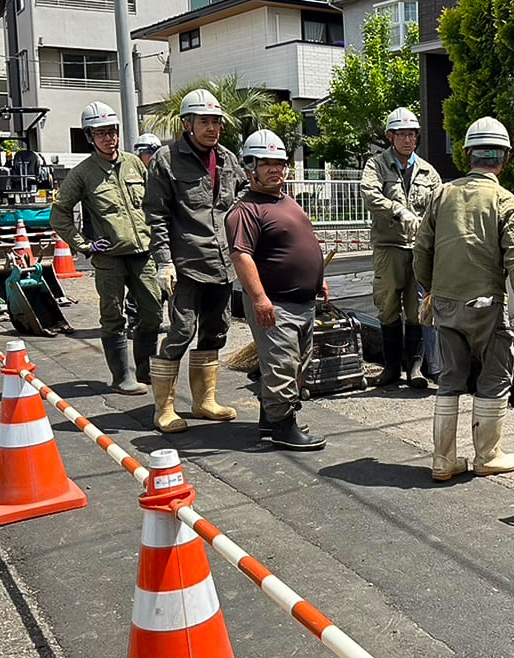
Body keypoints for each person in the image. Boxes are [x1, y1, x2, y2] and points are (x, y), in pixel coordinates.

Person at [413, 116, 514, 481]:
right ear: (505, 158)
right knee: (495, 376)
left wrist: (431, 290)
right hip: (486, 306)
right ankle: (488, 456)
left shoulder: (442, 194)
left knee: (450, 377)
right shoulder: (505, 201)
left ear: (467, 155)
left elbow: (421, 250)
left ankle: (442, 460)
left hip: (445, 303)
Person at [141, 89, 242, 432]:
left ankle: (204, 402)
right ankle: (164, 409)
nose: (212, 128)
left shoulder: (228, 160)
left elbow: (239, 207)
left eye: (216, 121)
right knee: (181, 331)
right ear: (187, 124)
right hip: (185, 265)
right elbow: (156, 215)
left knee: (217, 331)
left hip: (222, 263)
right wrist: (163, 261)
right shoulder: (166, 160)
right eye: (204, 121)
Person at [225, 129, 327, 450]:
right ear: (249, 167)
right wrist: (259, 298)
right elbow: (241, 255)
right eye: (266, 163)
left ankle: (270, 420)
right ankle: (284, 426)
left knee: (297, 364)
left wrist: (317, 277)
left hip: (302, 301)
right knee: (281, 365)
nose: (275, 169)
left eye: (279, 163)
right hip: (275, 303)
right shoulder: (246, 211)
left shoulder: (286, 201)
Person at [51, 101, 160, 396]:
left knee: (152, 313)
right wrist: (84, 245)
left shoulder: (135, 164)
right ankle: (122, 376)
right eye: (101, 133)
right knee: (113, 316)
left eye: (112, 132)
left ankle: (146, 371)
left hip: (142, 254)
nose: (108, 138)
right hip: (109, 258)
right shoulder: (83, 173)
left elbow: (153, 202)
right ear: (90, 137)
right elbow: (59, 213)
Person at [361, 107, 443, 388]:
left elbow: (438, 208)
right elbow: (370, 195)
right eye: (402, 135)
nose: (408, 140)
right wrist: (398, 210)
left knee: (417, 309)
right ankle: (391, 368)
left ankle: (415, 369)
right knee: (387, 305)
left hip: (418, 249)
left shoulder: (428, 172)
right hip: (389, 246)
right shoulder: (376, 165)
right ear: (390, 136)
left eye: (412, 135)